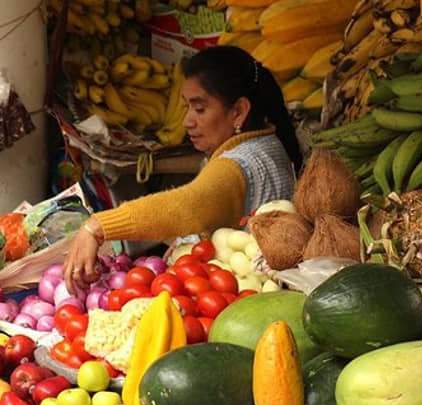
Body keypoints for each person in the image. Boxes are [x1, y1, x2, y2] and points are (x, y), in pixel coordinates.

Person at [64, 45, 302, 293]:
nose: (187, 121)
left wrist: (99, 226)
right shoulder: (268, 143)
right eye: (187, 107)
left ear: (239, 111)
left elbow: (188, 205)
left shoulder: (235, 166)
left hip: (251, 299)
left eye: (200, 109)